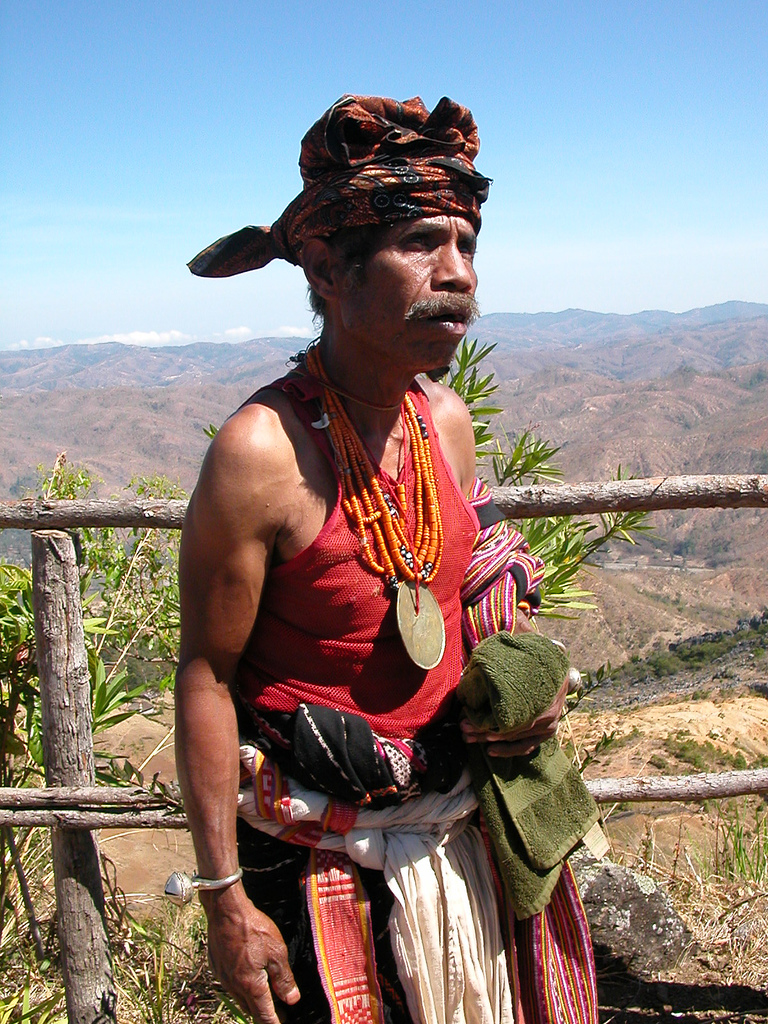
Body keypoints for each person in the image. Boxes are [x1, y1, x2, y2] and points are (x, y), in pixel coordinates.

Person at [177, 95, 597, 1024]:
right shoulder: (263, 452)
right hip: (317, 845)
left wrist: (530, 681)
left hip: (457, 824)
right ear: (325, 268)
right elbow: (206, 676)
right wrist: (224, 901)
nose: (459, 276)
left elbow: (466, 590)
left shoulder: (443, 420)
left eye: (468, 244)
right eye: (421, 243)